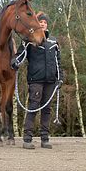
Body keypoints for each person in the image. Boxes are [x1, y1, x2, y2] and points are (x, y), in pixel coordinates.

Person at [10, 12, 64, 150]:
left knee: (47, 110)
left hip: (51, 81)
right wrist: (15, 62)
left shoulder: (53, 42)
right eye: (40, 22)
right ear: (36, 23)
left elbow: (58, 62)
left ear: (47, 25)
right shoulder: (29, 40)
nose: (43, 24)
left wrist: (60, 78)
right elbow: (20, 56)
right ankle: (27, 138)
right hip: (36, 80)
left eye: (45, 22)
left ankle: (45, 138)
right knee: (33, 107)